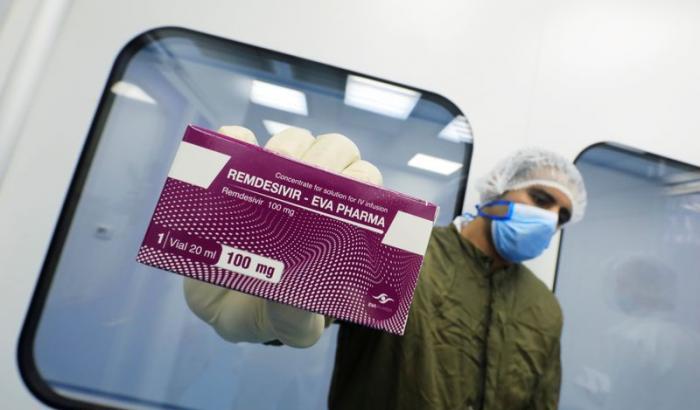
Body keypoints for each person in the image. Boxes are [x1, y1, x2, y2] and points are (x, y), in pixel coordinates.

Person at [183, 126, 588, 410]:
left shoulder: (544, 308)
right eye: (540, 198)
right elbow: (315, 310)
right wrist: (269, 290)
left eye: (562, 215)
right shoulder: (406, 252)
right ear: (498, 190)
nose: (550, 218)